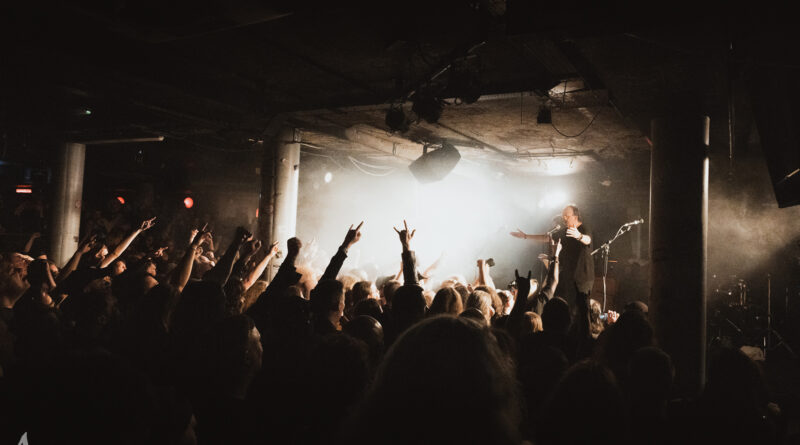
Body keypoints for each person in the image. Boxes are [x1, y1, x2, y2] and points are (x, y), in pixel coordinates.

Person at [510, 204, 594, 308]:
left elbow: (588, 240)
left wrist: (579, 236)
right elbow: (546, 237)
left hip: (583, 278)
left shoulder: (583, 228)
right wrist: (526, 236)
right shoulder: (564, 231)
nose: (564, 218)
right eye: (563, 216)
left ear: (575, 217)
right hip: (568, 277)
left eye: (567, 216)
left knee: (580, 308)